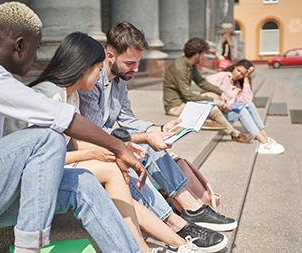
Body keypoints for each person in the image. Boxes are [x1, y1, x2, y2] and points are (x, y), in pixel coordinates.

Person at [0, 3, 149, 253]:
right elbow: (55, 114)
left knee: (83, 183)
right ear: (20, 44)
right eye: (36, 49)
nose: (36, 58)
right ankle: (29, 249)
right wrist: (119, 147)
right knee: (47, 137)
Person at [5, 31, 203, 253]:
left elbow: (80, 145)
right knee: (110, 170)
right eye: (99, 69)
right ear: (84, 67)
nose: (101, 76)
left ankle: (178, 244)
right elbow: (38, 160)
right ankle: (155, 246)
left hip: (50, 167)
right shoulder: (48, 97)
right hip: (25, 178)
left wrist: (117, 150)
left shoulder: (71, 95)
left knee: (115, 170)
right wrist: (97, 154)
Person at [78, 21, 234, 252]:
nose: (136, 69)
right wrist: (141, 139)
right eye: (130, 63)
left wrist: (159, 129)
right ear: (109, 55)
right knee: (137, 152)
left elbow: (127, 118)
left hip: (109, 141)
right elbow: (96, 132)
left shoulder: (120, 80)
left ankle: (191, 207)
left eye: (138, 63)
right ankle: (174, 222)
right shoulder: (91, 80)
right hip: (91, 148)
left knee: (153, 145)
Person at [163, 37, 253, 143]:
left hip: (184, 101)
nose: (203, 57)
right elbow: (187, 95)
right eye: (203, 54)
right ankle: (233, 133)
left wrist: (221, 92)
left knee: (213, 96)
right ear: (197, 54)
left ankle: (211, 120)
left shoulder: (189, 65)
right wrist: (213, 101)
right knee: (212, 108)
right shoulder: (180, 68)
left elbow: (202, 82)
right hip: (175, 106)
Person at [203, 59, 285, 155]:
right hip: (213, 112)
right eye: (238, 70)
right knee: (242, 112)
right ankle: (263, 142)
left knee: (250, 105)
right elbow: (206, 86)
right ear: (234, 67)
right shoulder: (223, 76)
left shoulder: (238, 85)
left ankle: (265, 137)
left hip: (225, 112)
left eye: (242, 74)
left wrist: (246, 78)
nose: (238, 75)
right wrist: (220, 102)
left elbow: (247, 100)